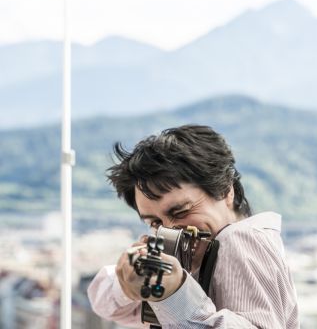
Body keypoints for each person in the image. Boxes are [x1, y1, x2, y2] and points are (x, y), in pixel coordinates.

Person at [87, 124, 299, 328]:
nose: (168, 230)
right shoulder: (195, 253)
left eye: (181, 212)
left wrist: (176, 294)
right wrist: (135, 277)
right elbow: (104, 302)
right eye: (155, 222)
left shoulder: (238, 238)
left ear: (226, 190)